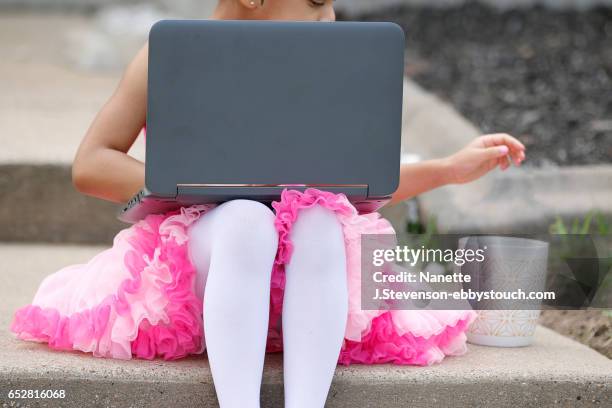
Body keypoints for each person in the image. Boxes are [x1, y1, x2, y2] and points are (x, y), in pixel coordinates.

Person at [10, 1, 526, 407]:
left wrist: (447, 169)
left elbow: (359, 183)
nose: (329, 20)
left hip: (309, 283)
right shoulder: (169, 56)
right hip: (207, 264)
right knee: (245, 219)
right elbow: (91, 164)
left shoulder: (323, 72)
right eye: (316, 2)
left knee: (321, 217)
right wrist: (191, 185)